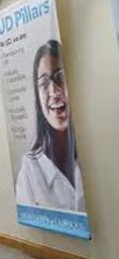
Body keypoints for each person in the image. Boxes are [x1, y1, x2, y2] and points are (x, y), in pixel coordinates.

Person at [15, 40, 84, 212]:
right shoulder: (31, 168)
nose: (53, 92)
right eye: (44, 84)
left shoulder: (97, 148)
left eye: (60, 78)